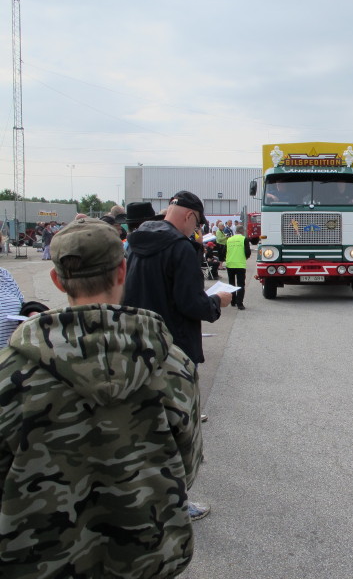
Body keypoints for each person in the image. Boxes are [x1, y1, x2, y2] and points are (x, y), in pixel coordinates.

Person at [0, 217, 202, 577]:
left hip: (40, 560)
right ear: (122, 270)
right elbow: (186, 466)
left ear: (57, 279)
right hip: (146, 555)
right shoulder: (173, 365)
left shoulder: (11, 373)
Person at [124, 191, 232, 519]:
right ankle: (176, 503)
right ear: (188, 216)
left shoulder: (137, 242)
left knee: (146, 427)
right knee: (178, 429)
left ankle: (142, 496)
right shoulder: (180, 248)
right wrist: (217, 302)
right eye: (197, 223)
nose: (197, 230)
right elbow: (190, 303)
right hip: (175, 352)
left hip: (138, 346)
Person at [225, 225, 251, 310]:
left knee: (231, 283)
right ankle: (240, 303)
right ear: (242, 231)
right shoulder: (244, 239)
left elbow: (224, 251)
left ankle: (233, 301)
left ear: (235, 231)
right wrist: (246, 257)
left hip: (230, 263)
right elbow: (247, 252)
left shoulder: (229, 239)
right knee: (240, 284)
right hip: (240, 264)